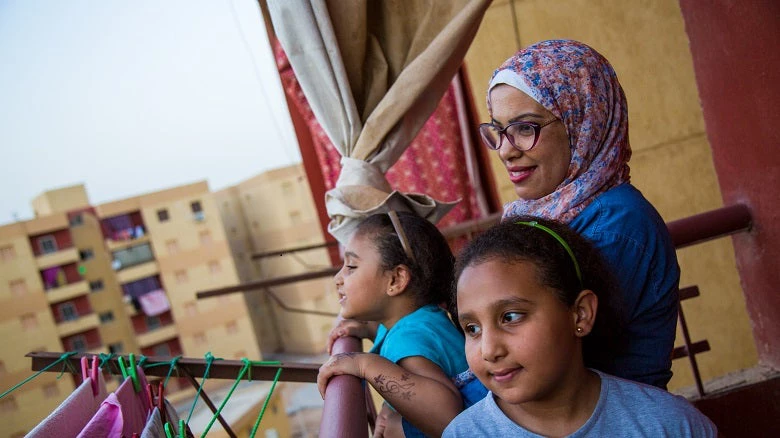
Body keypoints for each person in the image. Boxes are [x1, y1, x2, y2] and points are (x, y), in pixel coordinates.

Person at [476, 39, 680, 389]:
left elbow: (545, 362)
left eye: (525, 128)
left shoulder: (614, 227)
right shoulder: (552, 214)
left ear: (584, 121)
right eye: (499, 130)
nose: (506, 151)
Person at [443, 217, 717, 437]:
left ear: (580, 315)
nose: (489, 350)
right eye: (472, 329)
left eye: (511, 317)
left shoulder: (670, 425)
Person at [318, 211, 468, 438]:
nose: (338, 278)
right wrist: (366, 329)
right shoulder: (420, 320)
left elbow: (448, 417)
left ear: (396, 280)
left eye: (351, 266)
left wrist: (365, 364)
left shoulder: (408, 338)